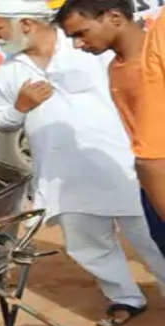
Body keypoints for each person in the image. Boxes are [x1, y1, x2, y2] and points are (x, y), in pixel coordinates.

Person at [0, 0, 165, 326]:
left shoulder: (90, 44)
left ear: (25, 24)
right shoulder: (8, 72)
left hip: (123, 164)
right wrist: (19, 108)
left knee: (150, 238)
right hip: (62, 175)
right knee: (88, 245)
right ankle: (125, 297)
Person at [55, 0, 165, 255]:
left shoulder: (157, 56)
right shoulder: (115, 69)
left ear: (114, 17)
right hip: (150, 188)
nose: (78, 44)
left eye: (81, 33)